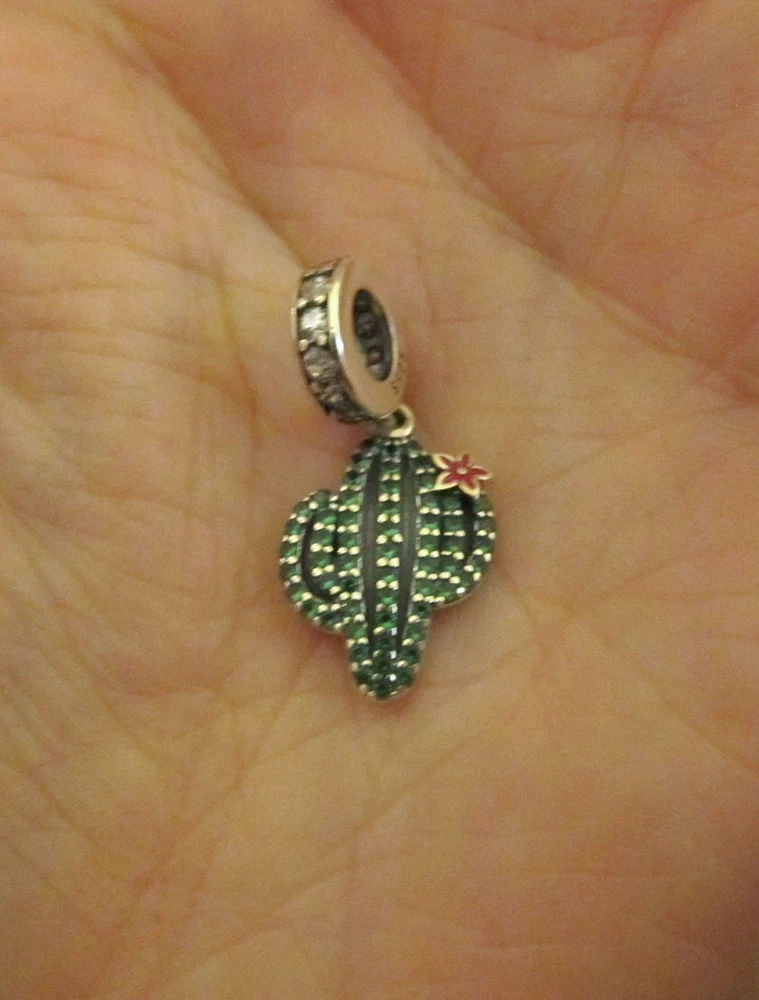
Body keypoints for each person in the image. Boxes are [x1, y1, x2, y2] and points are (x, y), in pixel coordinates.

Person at [1, 1, 757, 996]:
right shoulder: (385, 542)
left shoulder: (374, 537)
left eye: (385, 660)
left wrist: (452, 487)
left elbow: (418, 532)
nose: (386, 667)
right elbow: (424, 534)